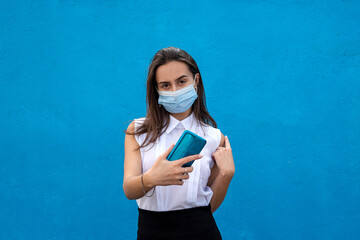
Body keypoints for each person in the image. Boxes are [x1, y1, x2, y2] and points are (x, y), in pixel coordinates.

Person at [123, 47, 235, 240]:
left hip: (202, 231)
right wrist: (152, 178)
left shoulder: (213, 136)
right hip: (151, 231)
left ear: (196, 81)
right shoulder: (139, 130)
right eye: (165, 85)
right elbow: (129, 189)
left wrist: (226, 175)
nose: (175, 90)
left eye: (181, 81)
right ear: (156, 90)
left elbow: (208, 206)